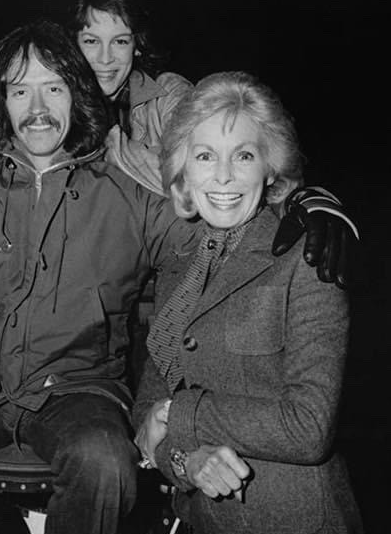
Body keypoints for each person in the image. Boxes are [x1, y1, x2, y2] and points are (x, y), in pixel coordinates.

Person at [0, 20, 358, 534]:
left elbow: (224, 223)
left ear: (77, 96)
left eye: (53, 87)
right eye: (19, 89)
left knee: (106, 463)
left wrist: (307, 198)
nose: (36, 107)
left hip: (80, 395)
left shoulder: (133, 197)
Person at [133, 71, 363, 533]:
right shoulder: (179, 267)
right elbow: (148, 410)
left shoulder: (306, 257)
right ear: (183, 172)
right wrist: (186, 462)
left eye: (243, 155)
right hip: (203, 519)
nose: (222, 176)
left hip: (292, 519)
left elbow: (309, 427)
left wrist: (184, 415)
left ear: (269, 169)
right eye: (204, 156)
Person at [72, 0, 193, 196]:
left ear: (137, 45)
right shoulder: (55, 102)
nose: (105, 58)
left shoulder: (169, 95)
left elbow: (193, 181)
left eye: (119, 41)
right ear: (74, 47)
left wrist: (110, 145)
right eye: (91, 41)